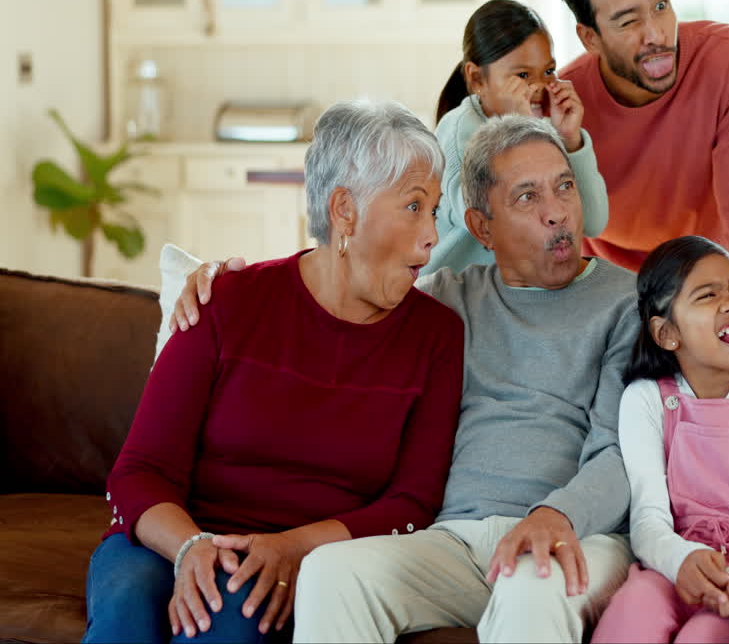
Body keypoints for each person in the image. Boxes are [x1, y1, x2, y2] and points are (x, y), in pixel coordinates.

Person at [169, 115, 639, 642]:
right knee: (331, 572)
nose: (558, 213)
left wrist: (559, 515)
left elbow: (625, 450)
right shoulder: (443, 301)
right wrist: (218, 280)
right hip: (454, 542)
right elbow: (341, 288)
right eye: (527, 197)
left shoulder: (630, 304)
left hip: (576, 536)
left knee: (532, 578)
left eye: (565, 187)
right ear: (482, 228)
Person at [83, 100, 464, 643]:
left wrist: (294, 546)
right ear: (344, 210)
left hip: (297, 555)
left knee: (232, 617)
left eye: (434, 210)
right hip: (173, 538)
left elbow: (413, 503)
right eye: (413, 207)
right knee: (126, 615)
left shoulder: (437, 336)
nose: (431, 235)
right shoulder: (227, 302)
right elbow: (138, 471)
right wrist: (193, 546)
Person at [589, 236, 729, 643]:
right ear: (668, 333)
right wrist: (681, 560)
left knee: (704, 636)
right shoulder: (645, 400)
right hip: (676, 564)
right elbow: (647, 519)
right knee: (633, 616)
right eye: (708, 295)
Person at [556, 0, 729, 294]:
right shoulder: (565, 105)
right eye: (629, 21)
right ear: (590, 38)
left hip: (710, 275)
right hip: (606, 285)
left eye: (660, 6)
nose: (656, 34)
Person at [429, 0, 609, 275]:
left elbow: (593, 221)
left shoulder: (545, 130)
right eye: (523, 74)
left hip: (518, 292)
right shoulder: (457, 132)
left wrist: (570, 139)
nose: (539, 86)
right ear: (477, 79)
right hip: (457, 298)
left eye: (549, 71)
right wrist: (518, 130)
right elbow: (492, 225)